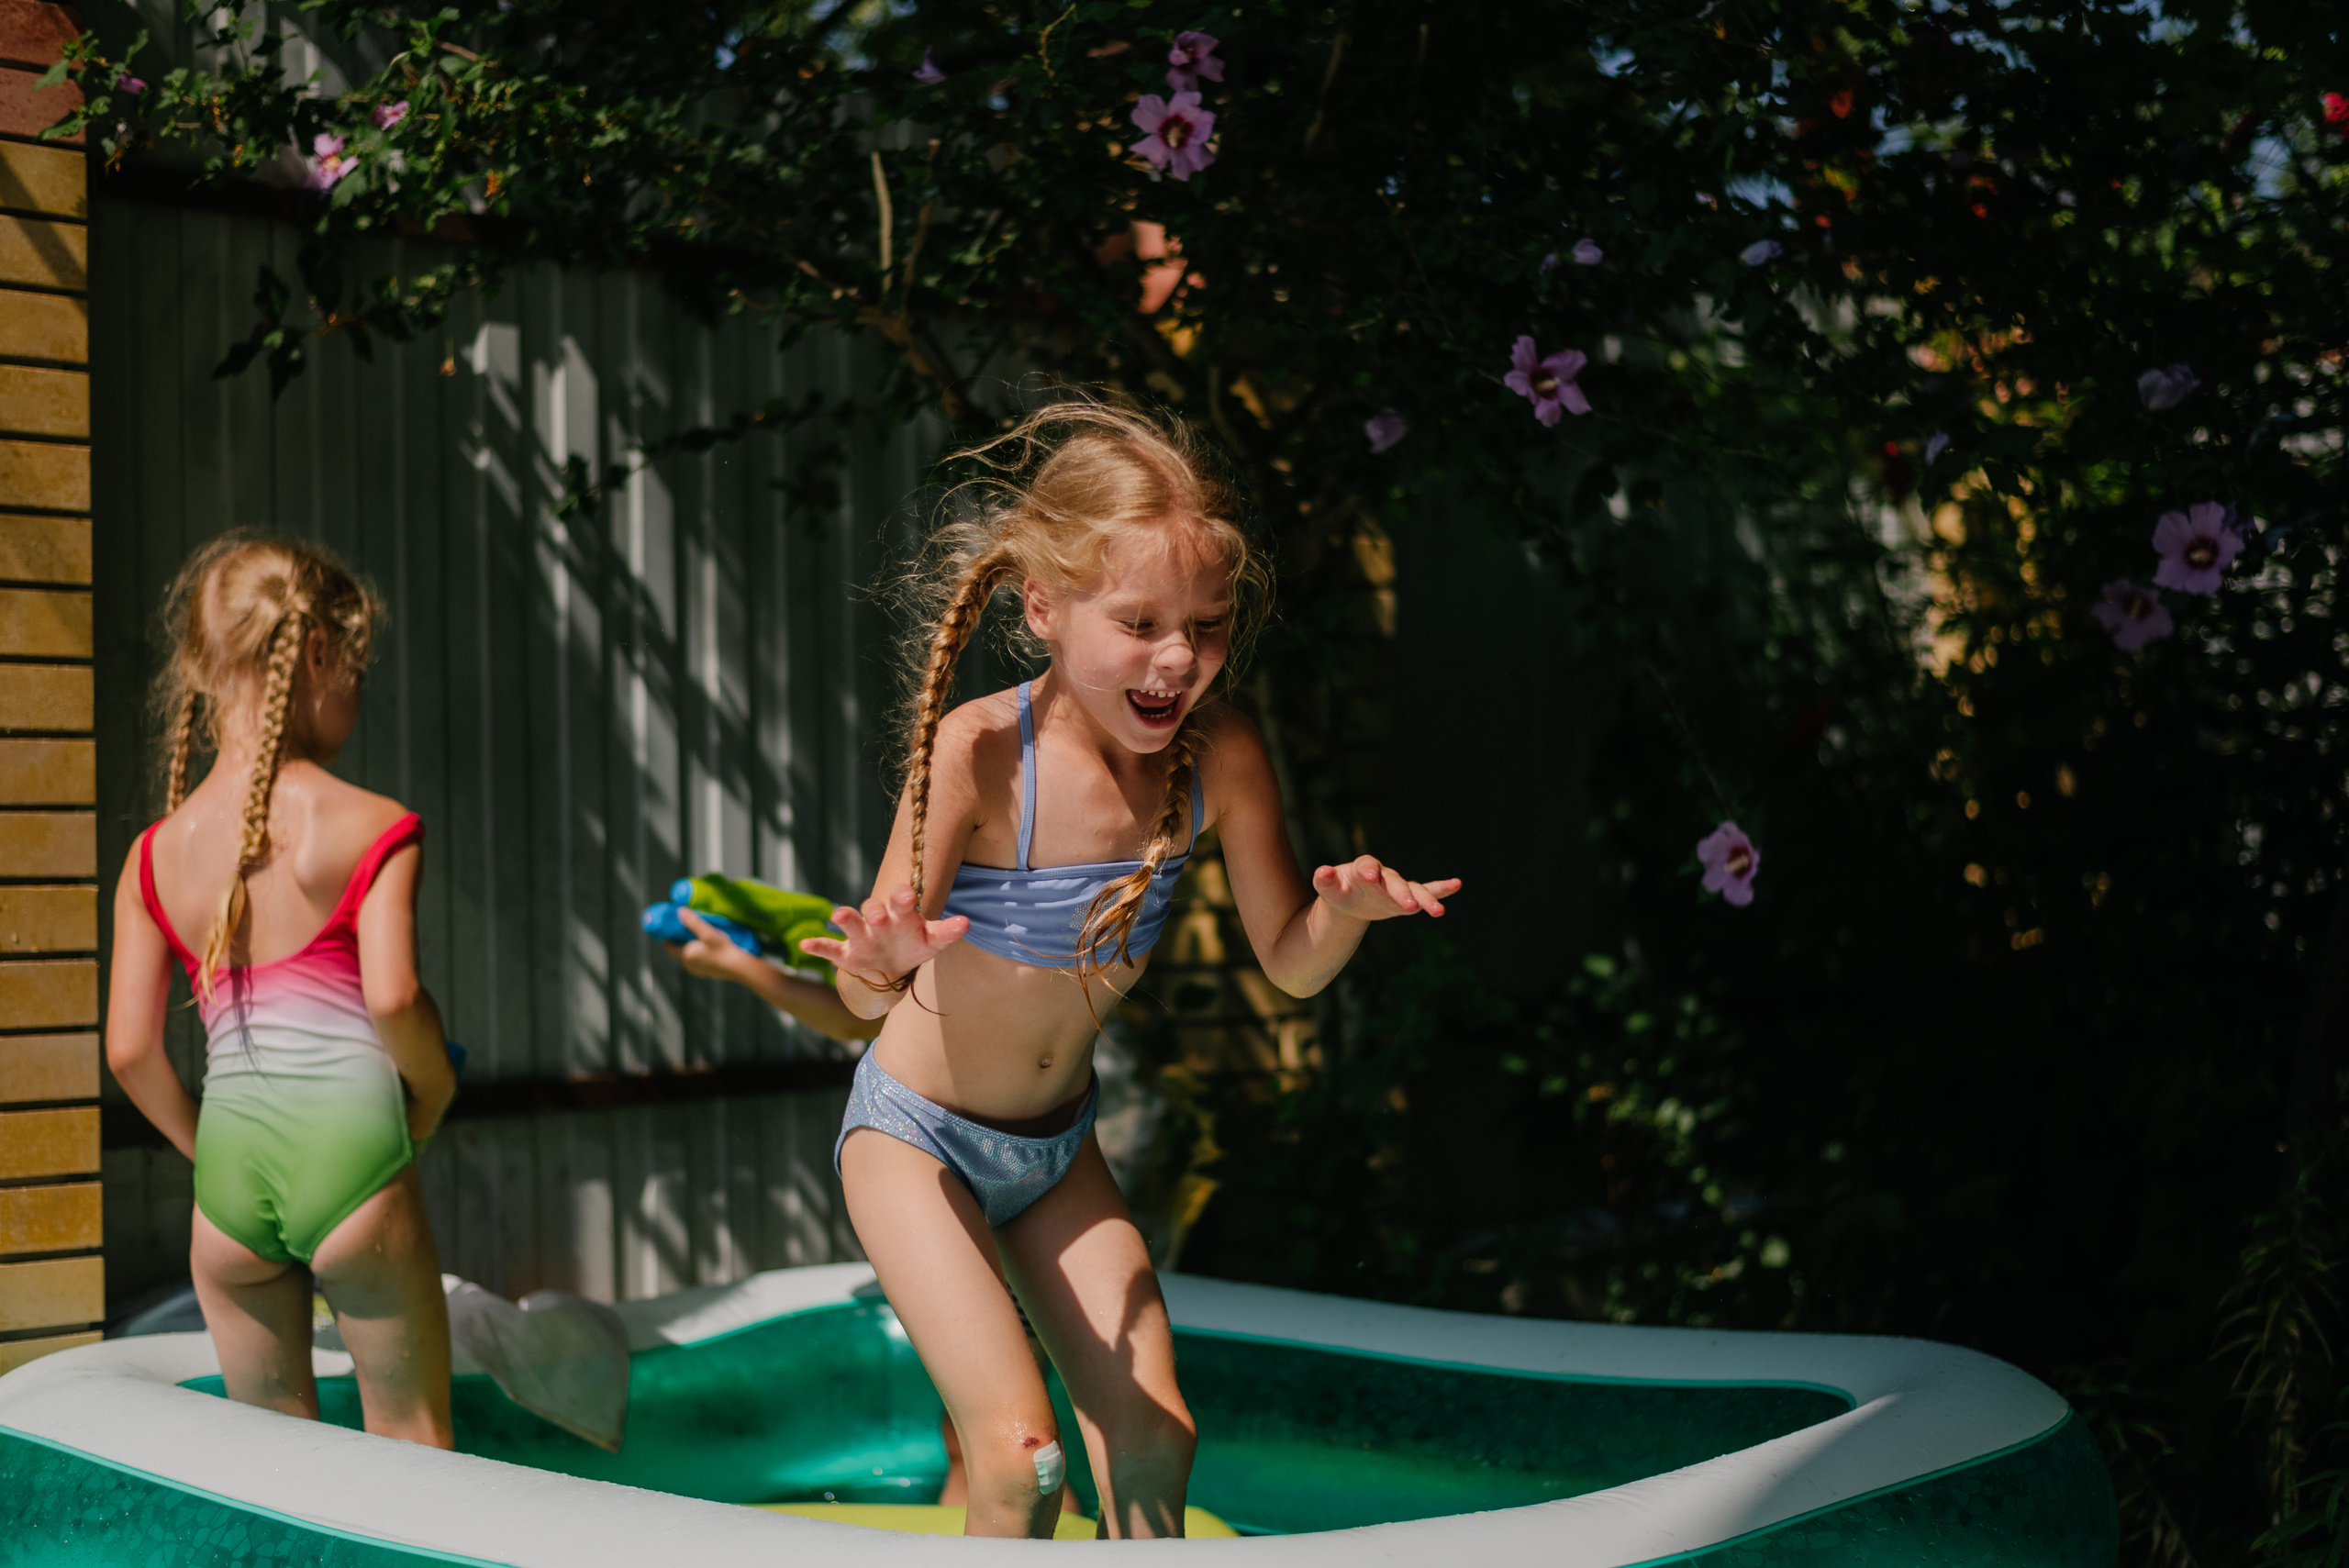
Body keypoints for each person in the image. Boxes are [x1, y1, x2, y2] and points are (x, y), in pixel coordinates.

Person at [798, 401, 1460, 1539]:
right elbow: (858, 995)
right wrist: (883, 965)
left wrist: (1339, 912)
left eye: (1204, 626)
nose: (1176, 659)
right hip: (915, 1142)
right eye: (1139, 620)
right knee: (1018, 1458)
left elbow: (1291, 971)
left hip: (1056, 1150)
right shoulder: (982, 752)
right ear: (1043, 608)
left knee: (1157, 1438)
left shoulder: (1222, 755)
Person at [106, 536, 457, 1449]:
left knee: (285, 1482)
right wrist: (430, 1094)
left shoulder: (152, 855)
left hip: (227, 1186)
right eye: (355, 666)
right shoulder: (374, 826)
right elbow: (391, 999)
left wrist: (209, 1151)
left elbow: (131, 1052)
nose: (357, 689)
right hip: (356, 1167)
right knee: (421, 1460)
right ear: (311, 654)